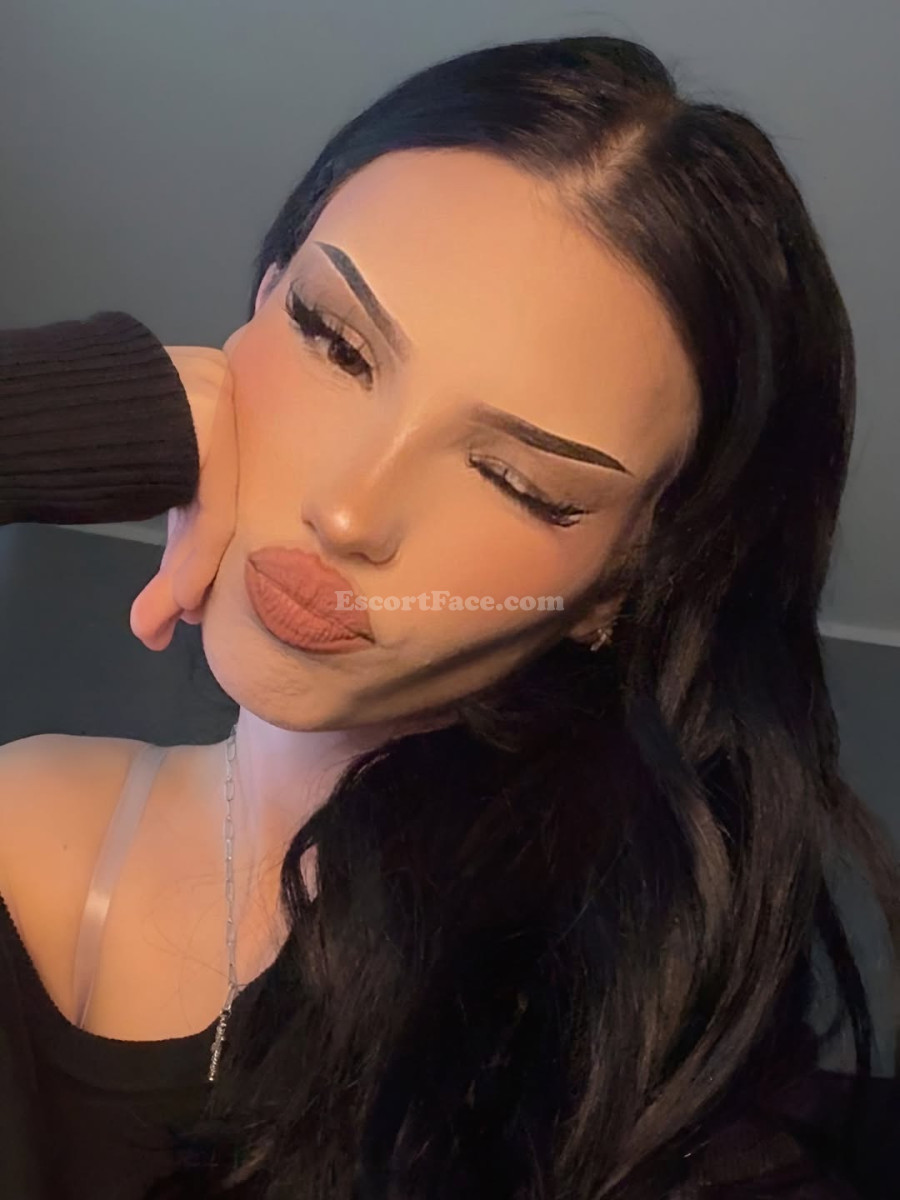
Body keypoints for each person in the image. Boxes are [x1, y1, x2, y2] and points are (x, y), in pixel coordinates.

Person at [0, 32, 897, 1200]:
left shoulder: (617, 1014)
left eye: (517, 479)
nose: (349, 511)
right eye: (334, 340)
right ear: (263, 295)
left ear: (620, 585)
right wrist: (73, 414)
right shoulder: (24, 813)